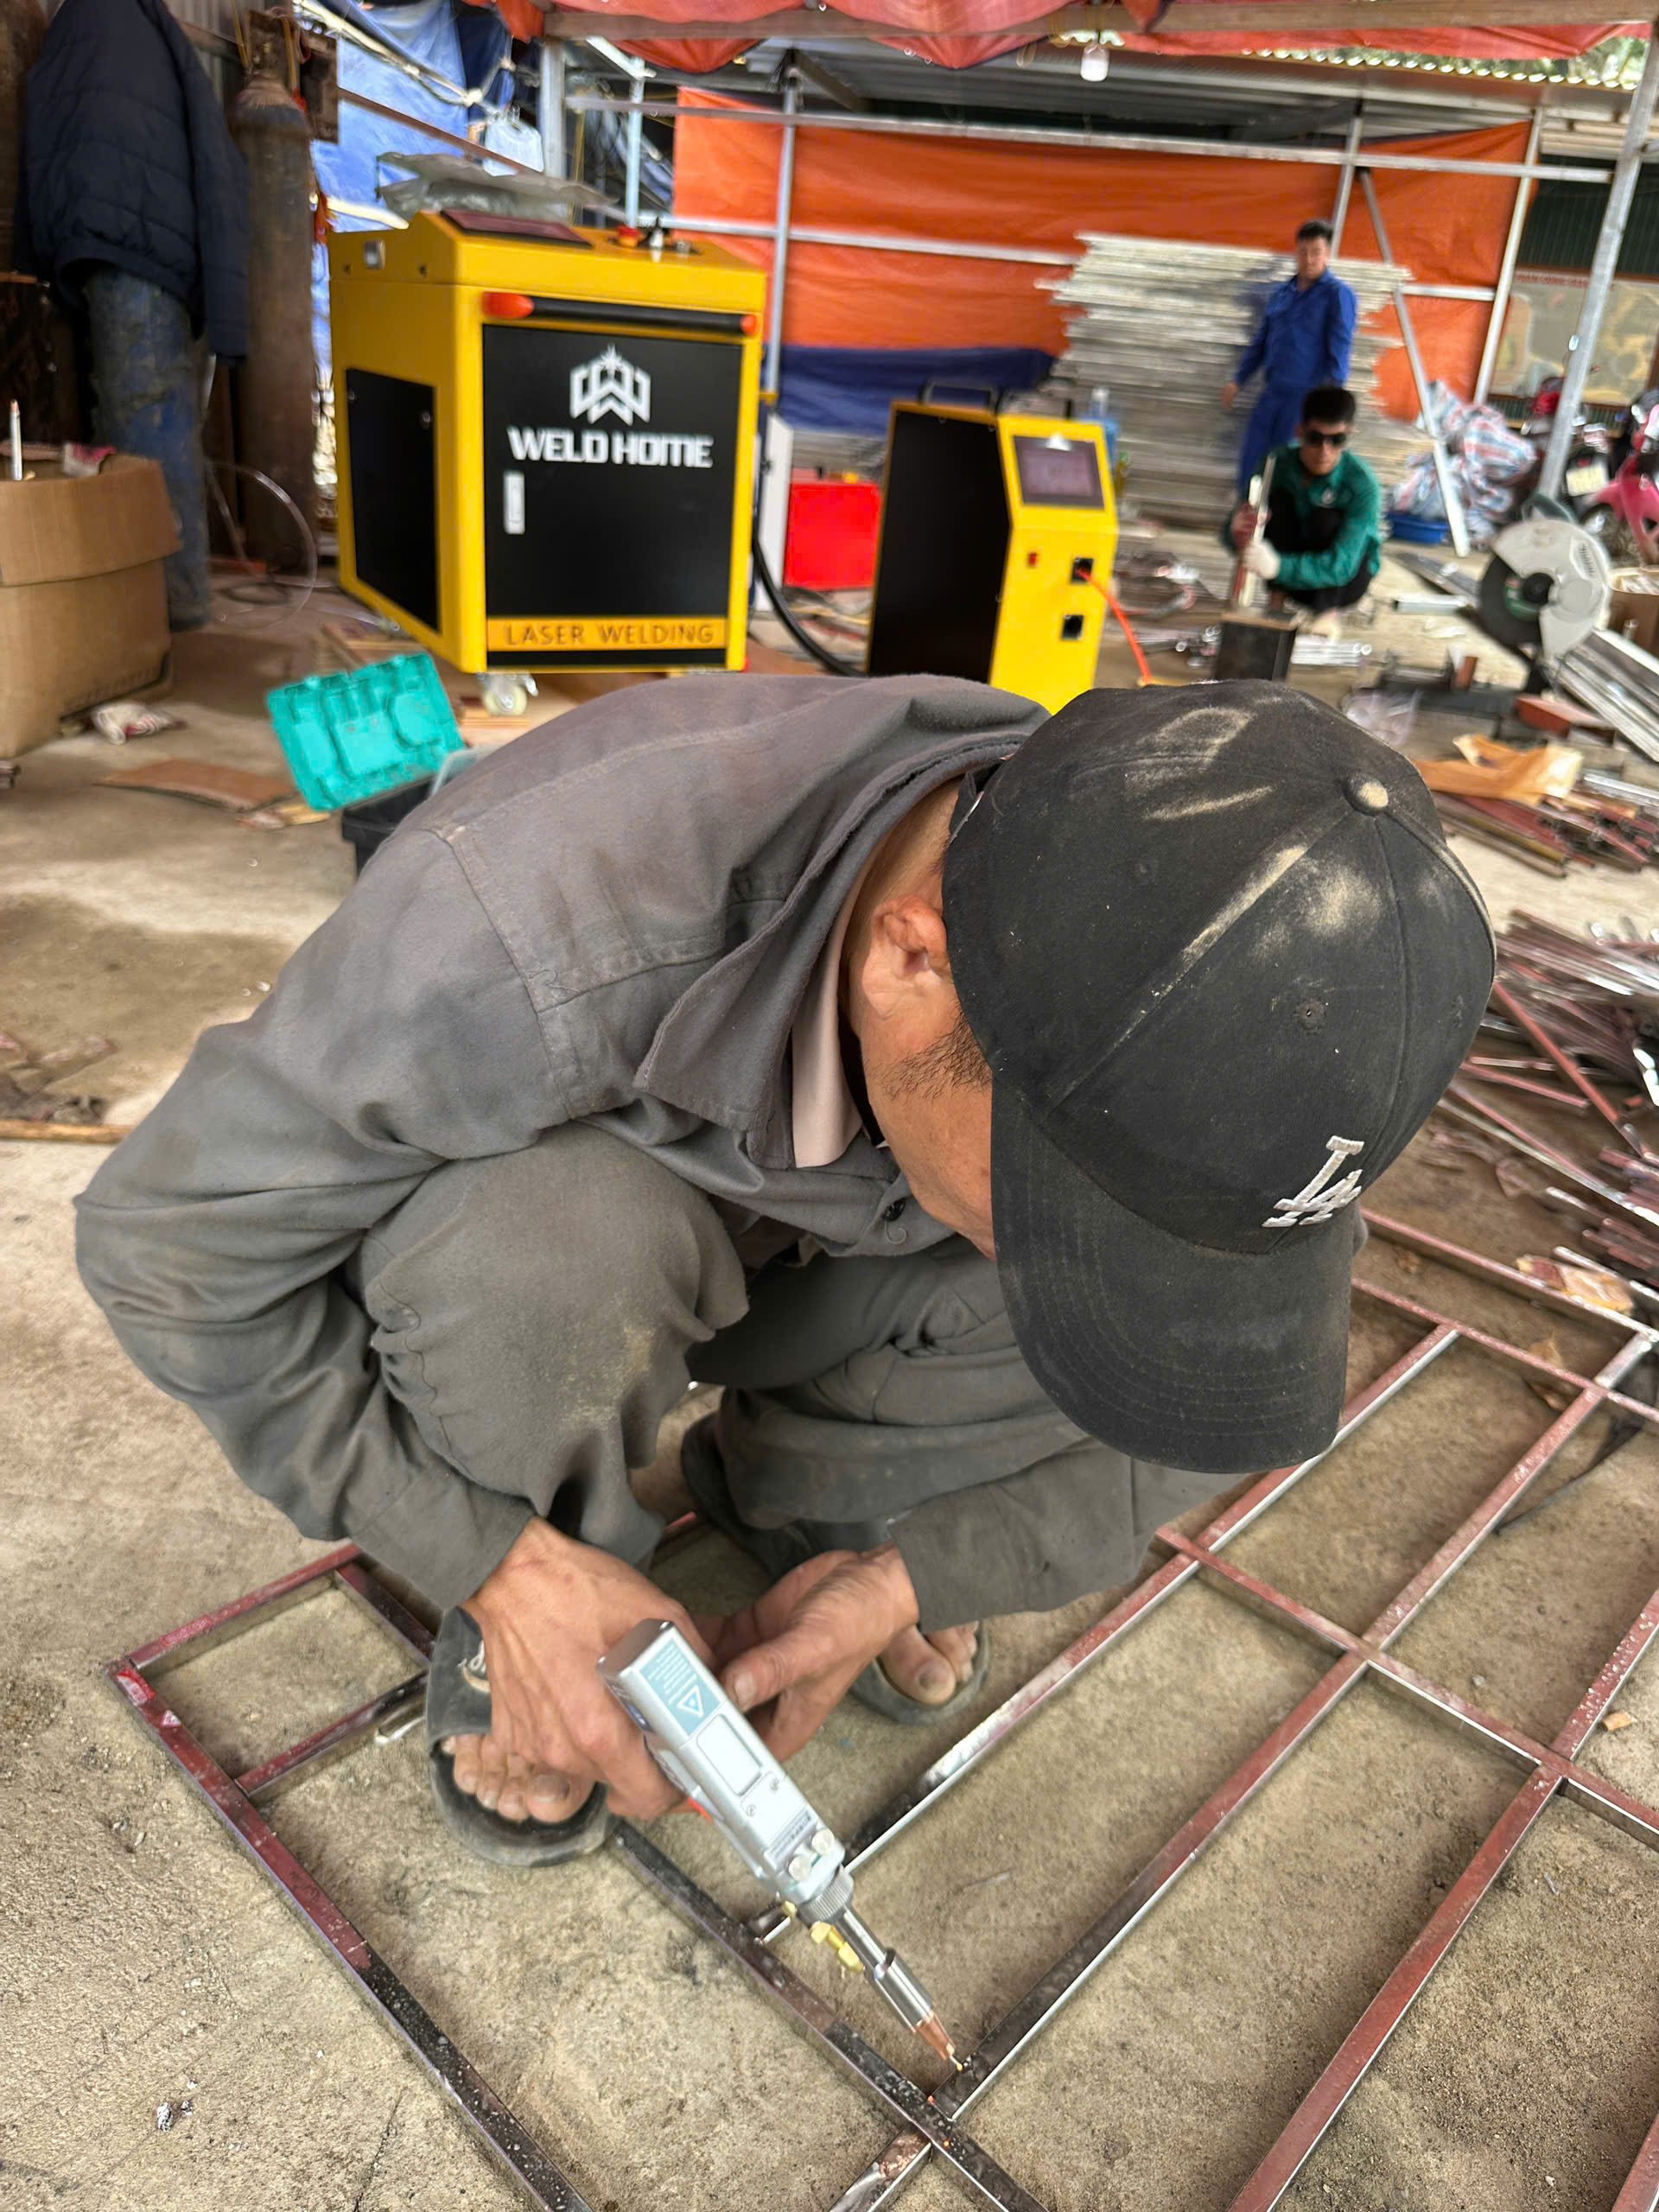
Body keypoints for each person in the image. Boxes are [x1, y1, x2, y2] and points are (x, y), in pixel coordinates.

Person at [77, 677, 1493, 1866]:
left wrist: (909, 1571)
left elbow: (1224, 1391)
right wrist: (491, 1562)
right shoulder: (520, 931)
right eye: (1060, 1207)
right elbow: (162, 1248)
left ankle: (809, 1504)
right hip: (610, 1255)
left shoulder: (1204, 978)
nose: (1076, 1254)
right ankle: (541, 1599)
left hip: (826, 1255)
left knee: (1166, 1319)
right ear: (910, 962)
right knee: (537, 1258)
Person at [16, 0, 250, 629]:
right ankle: (159, 593)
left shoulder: (91, 21)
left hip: (128, 244)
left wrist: (40, 256)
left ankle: (171, 602)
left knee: (144, 419)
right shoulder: (139, 24)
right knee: (143, 416)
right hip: (153, 245)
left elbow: (56, 141)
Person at [1223, 219, 1357, 496]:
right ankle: (1248, 513)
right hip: (1272, 393)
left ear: (1327, 254)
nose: (1309, 259)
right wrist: (1238, 380)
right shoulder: (1282, 294)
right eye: (1303, 251)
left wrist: (1334, 407)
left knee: (1290, 465)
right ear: (1296, 252)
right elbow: (1261, 342)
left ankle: (1282, 518)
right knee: (1253, 459)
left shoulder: (1337, 295)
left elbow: (1340, 348)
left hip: (1307, 399)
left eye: (1316, 252)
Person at [1230, 385, 1382, 617]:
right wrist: (1237, 532)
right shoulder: (1276, 464)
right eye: (1315, 438)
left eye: (1336, 439)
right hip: (1287, 576)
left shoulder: (1362, 484)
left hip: (1342, 583)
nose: (1324, 451)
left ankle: (1326, 614)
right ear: (1300, 431)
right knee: (1276, 504)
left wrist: (1279, 567)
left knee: (1326, 518)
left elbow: (1342, 565)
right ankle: (1276, 602)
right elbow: (1236, 527)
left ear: (1348, 434)